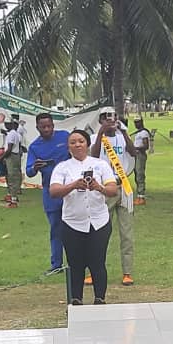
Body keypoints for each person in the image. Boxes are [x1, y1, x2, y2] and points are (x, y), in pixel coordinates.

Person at [49, 129, 119, 304]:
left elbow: (112, 190)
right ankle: (76, 299)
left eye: (81, 141)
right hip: (73, 223)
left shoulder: (100, 165)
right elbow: (54, 191)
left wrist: (98, 187)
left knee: (97, 261)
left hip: (98, 221)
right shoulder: (63, 168)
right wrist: (73, 185)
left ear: (87, 143)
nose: (77, 145)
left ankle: (100, 298)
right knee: (76, 263)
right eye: (73, 142)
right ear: (68, 147)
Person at [91, 106, 137, 286]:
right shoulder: (96, 138)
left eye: (113, 117)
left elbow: (133, 153)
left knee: (126, 233)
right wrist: (102, 132)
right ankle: (94, 270)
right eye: (106, 118)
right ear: (101, 120)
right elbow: (94, 156)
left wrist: (124, 132)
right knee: (100, 232)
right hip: (104, 187)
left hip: (123, 185)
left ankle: (127, 272)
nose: (110, 121)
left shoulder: (122, 137)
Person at [27, 113, 71, 273]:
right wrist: (35, 167)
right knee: (56, 228)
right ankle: (56, 265)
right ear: (37, 127)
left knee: (74, 228)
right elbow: (29, 172)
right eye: (43, 127)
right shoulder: (34, 147)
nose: (47, 129)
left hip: (69, 190)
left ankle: (75, 262)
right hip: (51, 193)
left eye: (49, 126)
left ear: (53, 125)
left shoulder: (65, 137)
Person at [0, 118, 23, 207]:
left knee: (12, 177)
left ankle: (14, 200)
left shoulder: (12, 134)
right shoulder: (13, 134)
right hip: (12, 156)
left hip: (11, 156)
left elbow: (9, 149)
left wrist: (1, 158)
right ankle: (11, 196)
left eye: (7, 124)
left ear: (11, 125)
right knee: (9, 176)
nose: (5, 125)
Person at [132, 116, 151, 205]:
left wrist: (135, 148)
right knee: (137, 175)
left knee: (140, 174)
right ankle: (139, 196)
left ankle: (141, 196)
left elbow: (146, 146)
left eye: (138, 122)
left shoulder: (143, 133)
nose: (136, 124)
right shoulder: (138, 133)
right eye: (135, 122)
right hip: (136, 154)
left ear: (141, 122)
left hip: (140, 155)